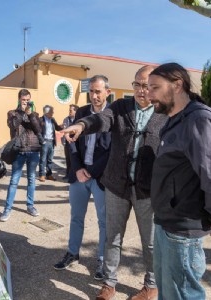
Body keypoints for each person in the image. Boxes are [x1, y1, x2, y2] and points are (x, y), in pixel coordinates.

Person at [62, 66, 168, 300]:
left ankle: (151, 286)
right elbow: (100, 119)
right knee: (112, 237)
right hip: (117, 186)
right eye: (138, 85)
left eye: (148, 86)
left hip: (147, 191)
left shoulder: (165, 113)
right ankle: (109, 284)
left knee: (149, 243)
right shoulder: (120, 107)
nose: (142, 91)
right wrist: (81, 126)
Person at [148, 62, 211, 300]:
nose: (149, 93)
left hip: (184, 228)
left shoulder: (198, 120)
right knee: (167, 292)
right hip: (165, 223)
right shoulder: (174, 119)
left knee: (183, 295)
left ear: (177, 85)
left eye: (155, 87)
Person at [54, 75, 111, 281]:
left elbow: (112, 150)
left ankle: (103, 261)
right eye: (92, 91)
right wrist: (78, 168)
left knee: (104, 222)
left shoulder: (113, 116)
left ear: (107, 92)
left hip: (100, 177)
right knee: (76, 217)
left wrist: (92, 172)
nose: (95, 96)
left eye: (98, 91)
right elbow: (72, 142)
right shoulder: (82, 112)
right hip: (79, 176)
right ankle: (72, 253)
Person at [0, 89, 42, 222]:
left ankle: (30, 206)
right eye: (23, 100)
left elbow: (37, 129)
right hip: (19, 151)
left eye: (28, 100)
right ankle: (7, 209)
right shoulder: (12, 113)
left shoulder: (34, 113)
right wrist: (21, 112)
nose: (26, 102)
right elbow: (13, 126)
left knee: (31, 179)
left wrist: (30, 115)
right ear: (19, 99)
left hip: (33, 150)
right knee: (14, 181)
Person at [38, 105, 63, 182]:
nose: (53, 113)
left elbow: (57, 128)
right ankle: (42, 175)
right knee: (42, 159)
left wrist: (62, 126)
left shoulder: (52, 119)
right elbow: (38, 132)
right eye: (51, 111)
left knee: (50, 159)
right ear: (46, 112)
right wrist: (42, 141)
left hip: (51, 141)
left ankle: (49, 175)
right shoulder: (40, 120)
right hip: (45, 141)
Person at [61, 104, 79, 180]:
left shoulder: (79, 120)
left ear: (76, 111)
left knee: (74, 159)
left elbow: (77, 131)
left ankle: (74, 175)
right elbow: (66, 130)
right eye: (69, 110)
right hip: (67, 142)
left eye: (71, 110)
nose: (69, 112)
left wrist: (71, 131)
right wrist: (71, 131)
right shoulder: (66, 119)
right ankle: (68, 174)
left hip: (76, 142)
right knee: (68, 159)